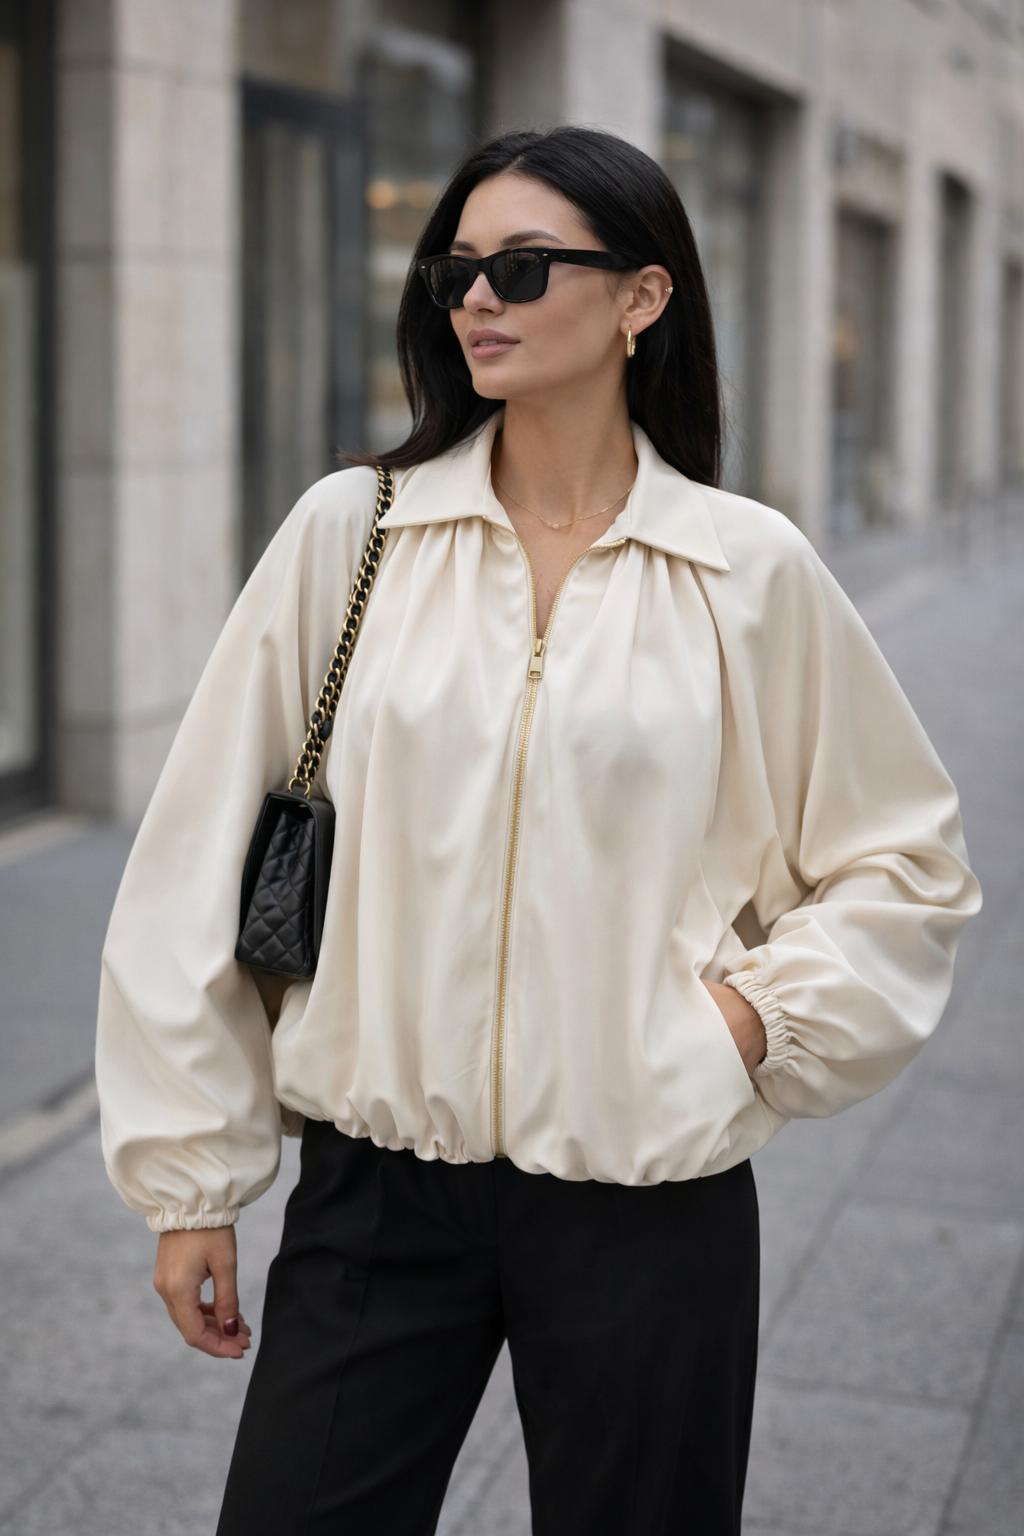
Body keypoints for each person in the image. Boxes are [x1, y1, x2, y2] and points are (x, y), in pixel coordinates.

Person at [96, 127, 979, 1536]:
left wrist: (747, 1026)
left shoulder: (747, 570)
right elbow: (195, 856)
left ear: (642, 299)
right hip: (379, 1195)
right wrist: (191, 1176)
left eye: (519, 267)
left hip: (648, 1196)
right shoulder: (355, 533)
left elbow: (906, 862)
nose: (476, 301)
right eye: (456, 271)